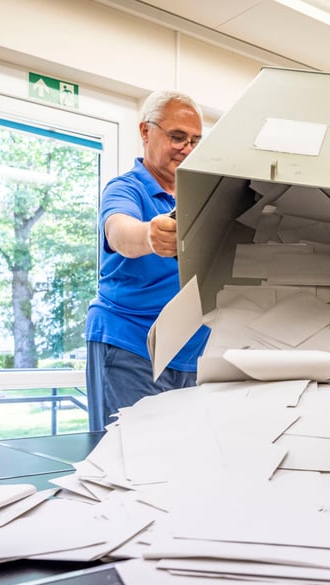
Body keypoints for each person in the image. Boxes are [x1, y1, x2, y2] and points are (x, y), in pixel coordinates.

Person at [85, 90, 210, 432]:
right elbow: (118, 230)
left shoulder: (203, 197)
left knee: (179, 464)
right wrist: (149, 236)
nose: (187, 148)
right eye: (177, 137)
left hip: (190, 353)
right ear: (145, 132)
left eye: (195, 141)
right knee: (129, 467)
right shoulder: (125, 190)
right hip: (132, 347)